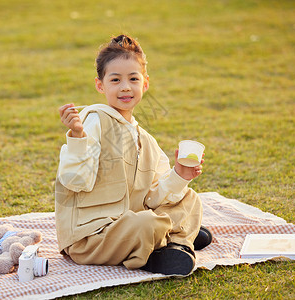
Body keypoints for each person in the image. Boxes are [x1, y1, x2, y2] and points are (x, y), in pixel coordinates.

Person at [55, 34, 211, 275]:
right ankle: (173, 240)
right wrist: (77, 137)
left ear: (145, 83)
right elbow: (76, 182)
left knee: (190, 199)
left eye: (133, 79)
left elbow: (153, 198)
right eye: (115, 79)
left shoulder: (146, 140)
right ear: (100, 85)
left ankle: (175, 244)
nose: (125, 86)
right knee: (147, 223)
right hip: (92, 236)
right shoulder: (93, 121)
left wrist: (180, 174)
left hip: (128, 224)